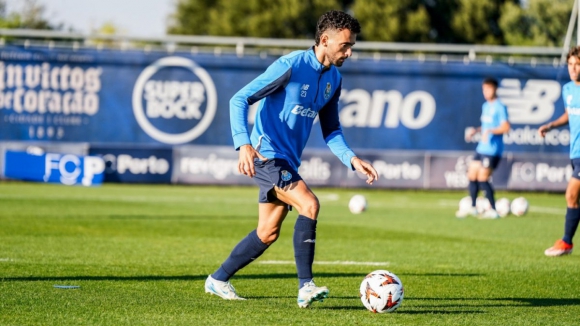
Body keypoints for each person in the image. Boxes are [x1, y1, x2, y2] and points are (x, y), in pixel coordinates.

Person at [204, 10, 379, 308]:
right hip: (266, 154)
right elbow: (239, 99)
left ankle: (217, 279)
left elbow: (331, 129)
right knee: (310, 204)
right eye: (344, 46)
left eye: (352, 47)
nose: (349, 52)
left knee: (267, 232)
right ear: (325, 40)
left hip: (287, 161)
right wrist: (242, 144)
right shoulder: (291, 65)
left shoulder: (334, 79)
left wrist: (352, 159)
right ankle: (305, 286)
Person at [539, 46, 580, 257]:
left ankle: (566, 242)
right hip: (575, 152)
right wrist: (552, 125)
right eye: (570, 64)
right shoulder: (568, 90)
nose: (573, 69)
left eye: (577, 64)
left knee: (571, 195)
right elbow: (569, 114)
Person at [456, 78, 510, 219]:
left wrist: (490, 131)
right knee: (471, 175)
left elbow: (505, 127)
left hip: (493, 150)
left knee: (482, 178)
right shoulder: (486, 106)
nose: (486, 92)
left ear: (495, 89)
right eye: (484, 89)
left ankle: (493, 210)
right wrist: (476, 130)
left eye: (488, 89)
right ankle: (473, 207)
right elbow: (486, 126)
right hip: (482, 148)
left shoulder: (500, 107)